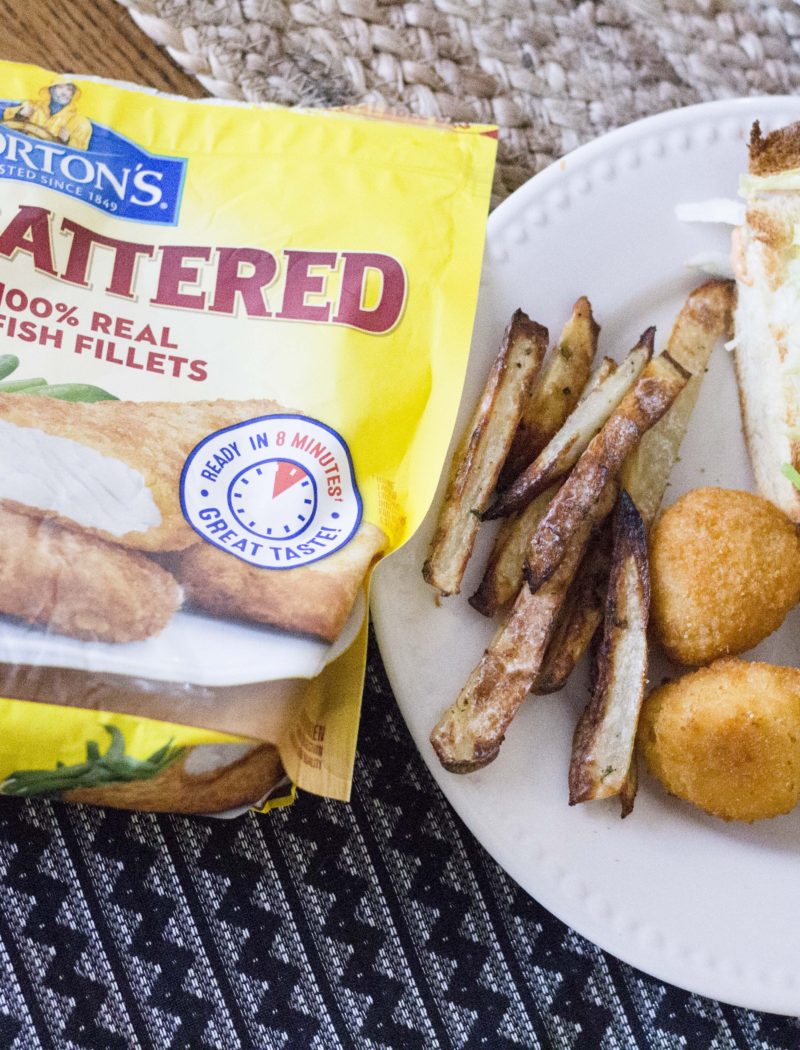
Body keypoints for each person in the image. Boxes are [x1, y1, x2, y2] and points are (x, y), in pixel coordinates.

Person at [2, 82, 92, 149]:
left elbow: (79, 154)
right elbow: (5, 123)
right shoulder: (32, 106)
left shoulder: (81, 123)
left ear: (72, 95)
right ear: (51, 90)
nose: (64, 93)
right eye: (60, 87)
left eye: (69, 89)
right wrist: (19, 115)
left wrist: (66, 143)